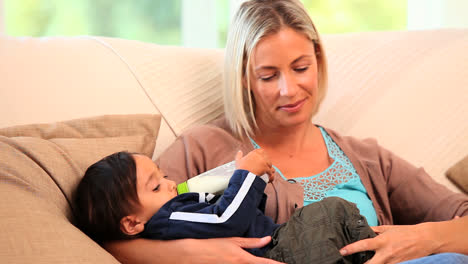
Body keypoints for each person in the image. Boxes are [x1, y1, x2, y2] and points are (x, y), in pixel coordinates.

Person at [105, 0, 468, 263]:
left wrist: (425, 238)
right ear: (244, 78)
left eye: (300, 67)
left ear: (318, 62)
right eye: (268, 75)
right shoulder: (203, 147)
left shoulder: (366, 158)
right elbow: (116, 239)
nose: (288, 89)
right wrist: (198, 252)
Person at [75, 150, 376, 264]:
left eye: (163, 176)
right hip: (278, 251)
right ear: (131, 223)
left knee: (334, 215)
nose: (169, 184)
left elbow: (237, 214)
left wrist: (248, 187)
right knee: (330, 211)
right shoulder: (166, 219)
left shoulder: (178, 210)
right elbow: (224, 221)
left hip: (280, 245)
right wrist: (245, 176)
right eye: (155, 186)